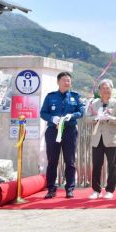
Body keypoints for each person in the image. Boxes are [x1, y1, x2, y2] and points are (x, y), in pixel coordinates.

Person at [39, 71, 85, 199]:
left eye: (69, 80)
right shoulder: (50, 97)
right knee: (52, 160)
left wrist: (73, 115)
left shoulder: (76, 96)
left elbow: (81, 111)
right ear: (58, 82)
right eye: (64, 80)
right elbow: (43, 113)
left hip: (69, 131)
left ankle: (70, 189)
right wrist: (52, 118)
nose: (67, 82)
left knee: (70, 161)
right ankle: (51, 189)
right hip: (53, 131)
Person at [86, 79, 116, 200]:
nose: (105, 90)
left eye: (107, 88)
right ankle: (96, 190)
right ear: (99, 91)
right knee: (96, 165)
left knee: (112, 166)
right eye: (102, 88)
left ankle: (110, 190)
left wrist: (109, 118)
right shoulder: (94, 103)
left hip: (112, 139)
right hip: (97, 138)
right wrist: (97, 118)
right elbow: (87, 118)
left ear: (112, 90)